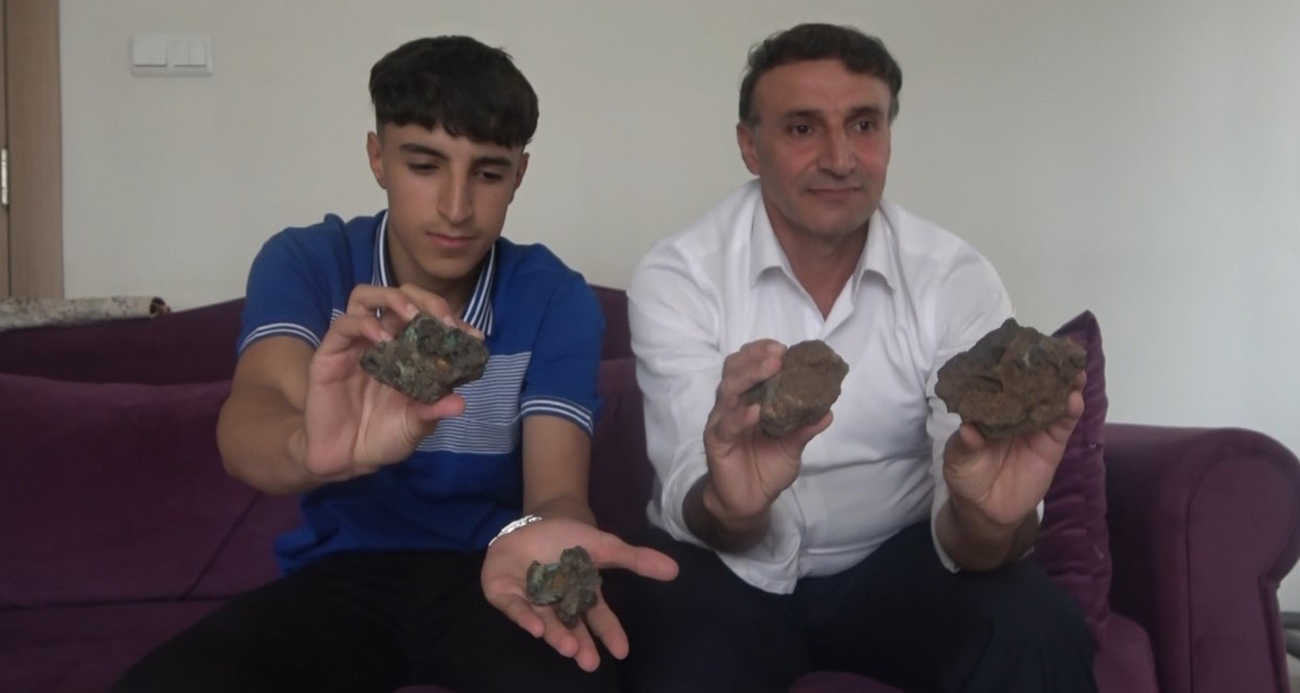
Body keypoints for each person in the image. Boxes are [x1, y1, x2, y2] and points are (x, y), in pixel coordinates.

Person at [115, 35, 676, 693]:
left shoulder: (555, 297)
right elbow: (252, 416)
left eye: (488, 173)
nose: (456, 207)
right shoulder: (308, 263)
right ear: (377, 157)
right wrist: (310, 448)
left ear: (519, 175)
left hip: (492, 572)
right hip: (340, 578)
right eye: (425, 165)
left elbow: (555, 492)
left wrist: (543, 537)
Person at [619, 23, 1095, 693]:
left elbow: (974, 523)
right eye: (803, 128)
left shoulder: (954, 278)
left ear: (889, 137)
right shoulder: (680, 275)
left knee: (1036, 626)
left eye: (864, 125)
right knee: (687, 661)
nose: (840, 158)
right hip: (725, 569)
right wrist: (734, 504)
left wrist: (989, 522)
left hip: (898, 562)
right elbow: (692, 490)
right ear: (750, 146)